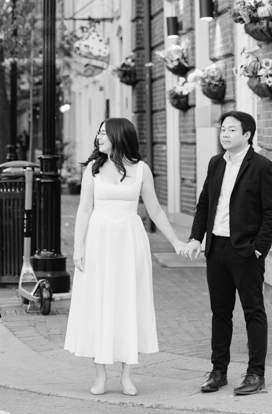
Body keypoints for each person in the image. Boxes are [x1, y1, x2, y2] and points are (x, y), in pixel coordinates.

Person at [64, 117, 188, 396]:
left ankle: (127, 375)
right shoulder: (93, 170)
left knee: (128, 303)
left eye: (104, 134)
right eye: (98, 133)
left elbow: (154, 211)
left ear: (119, 136)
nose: (99, 138)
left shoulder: (141, 170)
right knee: (99, 303)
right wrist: (78, 248)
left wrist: (176, 242)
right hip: (98, 241)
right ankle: (100, 375)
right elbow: (84, 210)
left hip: (130, 242)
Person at [182, 111, 272, 396]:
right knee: (220, 312)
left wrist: (259, 249)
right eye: (222, 130)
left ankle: (256, 374)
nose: (224, 135)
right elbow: (205, 204)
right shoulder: (215, 164)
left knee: (253, 312)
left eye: (231, 130)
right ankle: (218, 371)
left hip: (246, 251)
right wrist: (195, 238)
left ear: (247, 134)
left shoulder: (263, 167)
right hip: (216, 248)